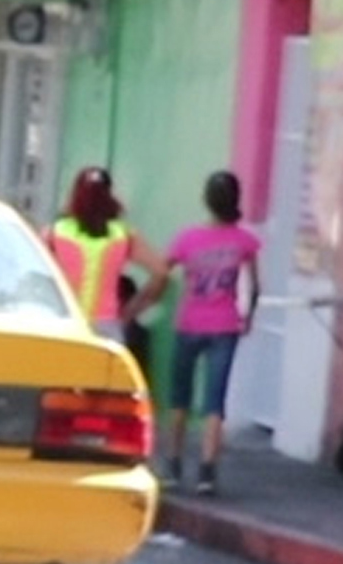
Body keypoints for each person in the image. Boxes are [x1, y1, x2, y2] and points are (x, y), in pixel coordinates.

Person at [138, 169, 261, 496]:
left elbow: (162, 272)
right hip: (224, 326)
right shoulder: (244, 241)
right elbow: (254, 286)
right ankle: (207, 470)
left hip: (189, 323)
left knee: (179, 397)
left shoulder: (187, 239)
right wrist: (247, 317)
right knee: (214, 401)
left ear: (207, 201)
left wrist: (141, 304)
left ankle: (173, 464)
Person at [47, 166, 155, 351]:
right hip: (106, 327)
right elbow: (160, 273)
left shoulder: (55, 232)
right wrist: (130, 311)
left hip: (65, 322)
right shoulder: (123, 234)